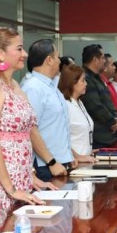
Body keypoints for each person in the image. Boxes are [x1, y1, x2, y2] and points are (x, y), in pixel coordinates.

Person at [0, 27, 58, 232]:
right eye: (19, 49)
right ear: (0, 54)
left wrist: (31, 176)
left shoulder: (14, 85)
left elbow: (24, 136)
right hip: (0, 181)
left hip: (19, 178)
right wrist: (11, 188)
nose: (25, 54)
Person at [22, 39, 75, 182]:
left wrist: (69, 156)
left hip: (58, 162)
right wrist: (51, 162)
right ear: (49, 60)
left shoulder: (51, 86)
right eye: (57, 57)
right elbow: (31, 130)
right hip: (45, 165)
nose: (59, 61)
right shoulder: (33, 87)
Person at [80, 44, 117, 147]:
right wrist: (112, 122)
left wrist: (116, 117)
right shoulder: (86, 78)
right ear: (95, 59)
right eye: (102, 57)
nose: (104, 60)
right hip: (99, 137)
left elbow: (108, 101)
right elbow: (95, 105)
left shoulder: (98, 78)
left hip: (109, 134)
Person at [58, 64, 96, 163]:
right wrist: (78, 156)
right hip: (74, 163)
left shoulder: (79, 102)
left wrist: (88, 150)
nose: (86, 84)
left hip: (85, 160)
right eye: (83, 80)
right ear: (72, 82)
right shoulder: (65, 105)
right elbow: (60, 139)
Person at [100, 53, 117, 130]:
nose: (114, 67)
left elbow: (115, 106)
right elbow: (106, 108)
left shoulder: (109, 83)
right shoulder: (101, 84)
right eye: (112, 65)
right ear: (105, 68)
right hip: (111, 127)